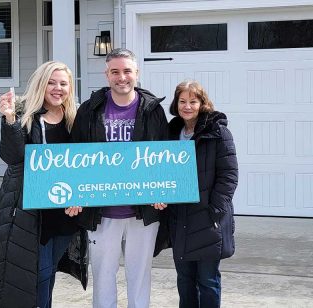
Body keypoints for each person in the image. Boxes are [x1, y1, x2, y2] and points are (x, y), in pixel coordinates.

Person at [67, 48, 169, 308]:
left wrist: (163, 191)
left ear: (137, 73)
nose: (121, 77)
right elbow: (75, 155)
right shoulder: (89, 110)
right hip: (101, 211)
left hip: (143, 210)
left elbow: (164, 157)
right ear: (107, 75)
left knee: (140, 276)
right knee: (103, 276)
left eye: (127, 71)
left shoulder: (153, 110)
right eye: (115, 72)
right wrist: (75, 193)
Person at [0, 61, 87, 308]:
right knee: (40, 272)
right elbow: (13, 157)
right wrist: (9, 118)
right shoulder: (25, 116)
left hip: (66, 210)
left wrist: (80, 195)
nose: (57, 88)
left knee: (49, 270)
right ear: (41, 84)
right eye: (51, 83)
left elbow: (85, 164)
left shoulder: (75, 119)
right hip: (33, 210)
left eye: (63, 83)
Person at [166, 80, 238, 308]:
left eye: (193, 101)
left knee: (208, 280)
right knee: (184, 279)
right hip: (180, 218)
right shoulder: (171, 132)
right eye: (182, 101)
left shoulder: (218, 133)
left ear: (202, 103)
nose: (187, 106)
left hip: (208, 219)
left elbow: (229, 176)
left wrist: (215, 211)